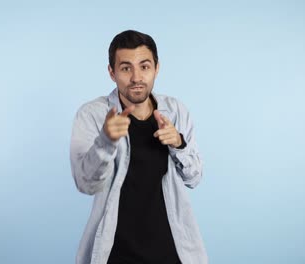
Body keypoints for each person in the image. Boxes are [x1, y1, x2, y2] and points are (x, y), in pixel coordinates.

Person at [70, 30, 208, 264]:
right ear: (112, 72)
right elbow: (86, 183)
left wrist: (179, 143)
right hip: (116, 254)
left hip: (172, 252)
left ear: (156, 68)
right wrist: (105, 141)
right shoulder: (93, 115)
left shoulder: (175, 111)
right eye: (126, 68)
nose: (136, 77)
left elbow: (194, 178)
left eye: (144, 66)